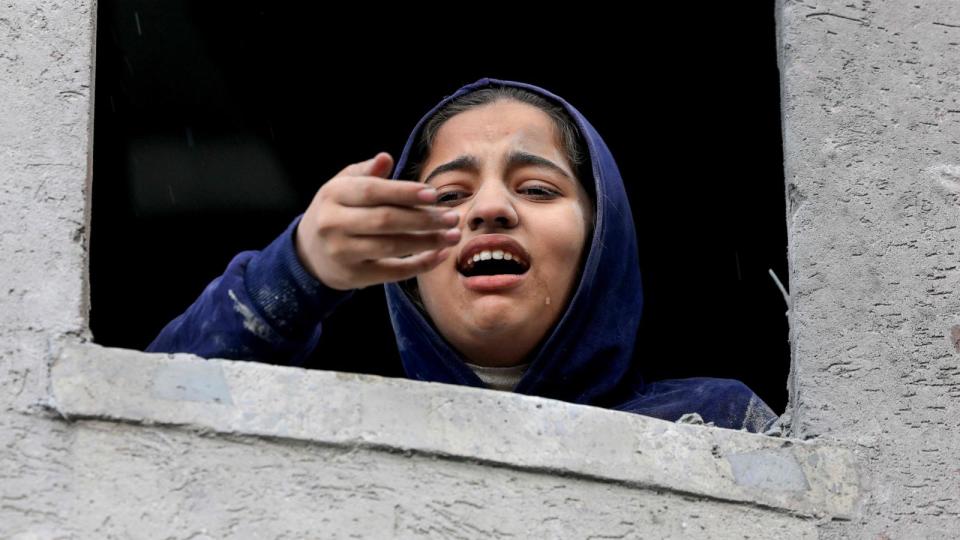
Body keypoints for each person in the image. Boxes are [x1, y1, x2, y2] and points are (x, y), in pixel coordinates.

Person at [147, 77, 778, 433]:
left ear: (602, 242)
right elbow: (141, 419)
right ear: (410, 271)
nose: (490, 208)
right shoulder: (348, 427)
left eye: (537, 188)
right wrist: (299, 269)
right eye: (450, 194)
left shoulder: (715, 423)